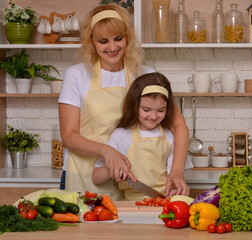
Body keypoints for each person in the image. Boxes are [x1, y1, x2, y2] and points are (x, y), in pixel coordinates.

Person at [58, 3, 190, 200]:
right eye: (103, 41)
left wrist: (176, 171)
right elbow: (68, 135)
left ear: (128, 38)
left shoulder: (145, 74)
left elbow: (179, 125)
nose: (112, 47)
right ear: (92, 42)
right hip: (85, 175)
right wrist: (107, 151)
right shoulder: (76, 75)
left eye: (118, 39)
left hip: (131, 181)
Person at [92, 72, 193, 200]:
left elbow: (175, 176)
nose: (153, 116)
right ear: (135, 106)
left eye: (161, 110)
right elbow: (96, 177)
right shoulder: (121, 136)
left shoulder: (170, 137)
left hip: (165, 202)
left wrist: (175, 189)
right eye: (146, 110)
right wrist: (112, 169)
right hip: (132, 205)